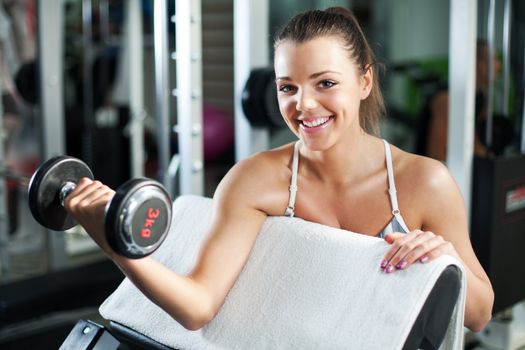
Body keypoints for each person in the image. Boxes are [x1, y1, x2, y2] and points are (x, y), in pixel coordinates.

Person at [64, 7, 493, 333]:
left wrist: (445, 258)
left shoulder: (423, 181)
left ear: (364, 81)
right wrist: (113, 240)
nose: (303, 105)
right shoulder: (254, 180)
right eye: (288, 87)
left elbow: (479, 314)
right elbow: (197, 307)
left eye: (325, 83)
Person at [421, 40, 504, 161]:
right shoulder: (446, 100)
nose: (498, 66)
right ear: (478, 64)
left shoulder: (480, 96)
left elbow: (478, 145)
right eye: (494, 59)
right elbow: (436, 157)